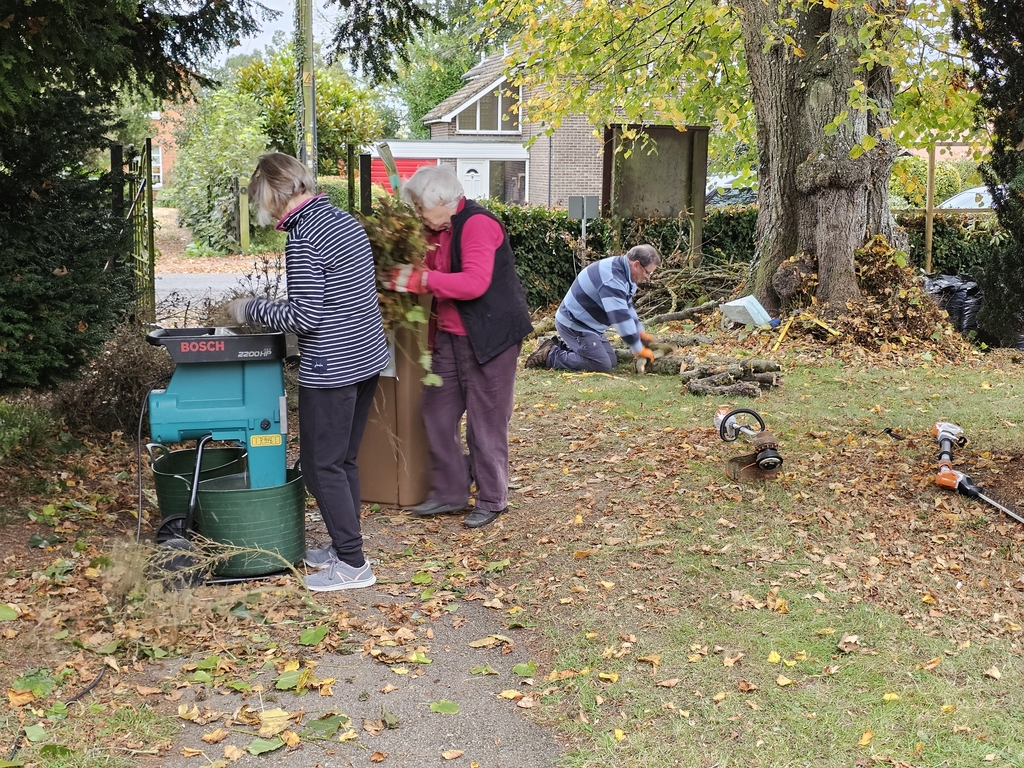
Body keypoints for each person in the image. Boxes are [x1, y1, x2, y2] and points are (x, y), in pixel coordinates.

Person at [227, 152, 389, 592]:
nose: (263, 210)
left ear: (274, 194)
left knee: (320, 467)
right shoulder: (340, 220)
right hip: (366, 358)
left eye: (261, 200)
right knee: (343, 460)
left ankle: (353, 565)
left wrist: (250, 308)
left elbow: (305, 318)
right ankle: (345, 546)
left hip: (332, 367)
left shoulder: (303, 237)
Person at [386, 164, 533, 529]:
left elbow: (474, 283)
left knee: (485, 423)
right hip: (451, 337)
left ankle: (493, 498)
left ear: (443, 201)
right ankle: (450, 492)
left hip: (491, 337)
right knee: (436, 412)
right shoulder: (436, 230)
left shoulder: (478, 224)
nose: (419, 214)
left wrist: (421, 279)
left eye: (421, 207)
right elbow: (431, 274)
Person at [525, 244, 661, 372]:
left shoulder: (626, 275)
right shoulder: (612, 279)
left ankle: (560, 347)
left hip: (590, 327)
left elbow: (627, 307)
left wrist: (639, 332)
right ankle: (550, 355)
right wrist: (638, 348)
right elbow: (619, 317)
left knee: (611, 360)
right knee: (601, 364)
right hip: (575, 324)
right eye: (648, 272)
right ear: (636, 264)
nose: (648, 278)